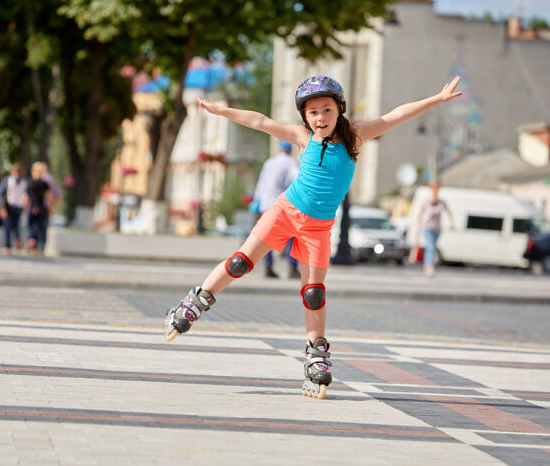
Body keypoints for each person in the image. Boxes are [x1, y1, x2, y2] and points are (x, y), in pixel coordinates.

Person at [164, 75, 462, 399]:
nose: (320, 118)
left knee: (314, 294)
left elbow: (395, 116)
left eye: (327, 110)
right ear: (305, 116)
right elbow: (261, 121)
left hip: (318, 227)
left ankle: (315, 355)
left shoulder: (355, 137)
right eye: (313, 112)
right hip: (284, 212)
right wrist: (223, 112)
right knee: (240, 262)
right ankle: (193, 303)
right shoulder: (302, 137)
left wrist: (436, 99)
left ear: (340, 110)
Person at [253, 141, 300, 278]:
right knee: (291, 236)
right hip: (283, 203)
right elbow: (296, 179)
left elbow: (261, 183)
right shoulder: (291, 163)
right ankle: (292, 267)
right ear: (290, 150)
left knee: (267, 236)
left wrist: (258, 201)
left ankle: (268, 266)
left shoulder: (269, 163)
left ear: (279, 149)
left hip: (266, 203)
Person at [415, 181, 455, 277]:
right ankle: (430, 267)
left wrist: (451, 223)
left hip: (437, 229)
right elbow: (420, 215)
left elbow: (449, 212)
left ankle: (426, 264)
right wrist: (418, 227)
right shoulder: (426, 202)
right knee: (431, 246)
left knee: (431, 248)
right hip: (427, 227)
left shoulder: (442, 202)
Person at [24, 162, 54, 254]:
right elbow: (48, 197)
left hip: (32, 205)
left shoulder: (29, 182)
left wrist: (26, 206)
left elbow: (26, 196)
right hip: (41, 206)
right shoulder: (44, 184)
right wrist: (50, 207)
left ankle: (31, 239)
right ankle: (34, 244)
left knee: (30, 225)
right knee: (38, 226)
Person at [0, 162, 27, 254]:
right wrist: (25, 205)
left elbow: (1, 193)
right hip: (19, 205)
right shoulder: (24, 181)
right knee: (16, 225)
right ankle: (17, 237)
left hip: (10, 205)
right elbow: (26, 195)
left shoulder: (8, 180)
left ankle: (7, 246)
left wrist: (2, 207)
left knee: (7, 226)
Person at [39, 161, 62, 251]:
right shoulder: (50, 179)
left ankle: (39, 246)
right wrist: (53, 205)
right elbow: (59, 194)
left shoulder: (46, 179)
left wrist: (51, 205)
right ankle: (41, 246)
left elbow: (57, 194)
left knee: (39, 226)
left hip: (43, 206)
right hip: (46, 206)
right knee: (43, 226)